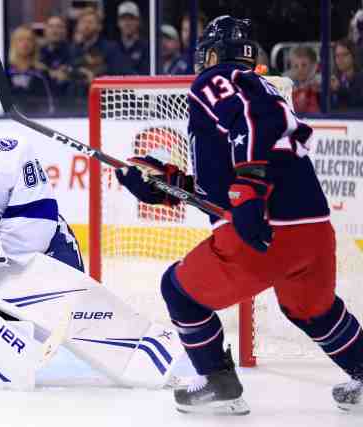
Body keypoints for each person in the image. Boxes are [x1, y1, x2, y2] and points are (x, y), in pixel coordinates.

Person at [116, 15, 363, 414]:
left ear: (215, 53)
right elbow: (232, 168)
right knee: (313, 309)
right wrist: (166, 184)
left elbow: (253, 126)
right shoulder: (259, 86)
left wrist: (247, 189)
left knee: (180, 292)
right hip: (313, 231)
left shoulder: (217, 80)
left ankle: (219, 384)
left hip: (265, 232)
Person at [0, 98, 185, 390]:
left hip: (47, 254)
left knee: (75, 320)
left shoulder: (5, 153)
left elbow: (37, 226)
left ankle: (146, 354)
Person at [7, 25, 55, 115]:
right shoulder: (4, 72)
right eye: (21, 39)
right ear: (13, 43)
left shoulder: (42, 73)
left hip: (38, 121)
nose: (25, 43)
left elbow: (50, 104)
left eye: (29, 39)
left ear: (34, 44)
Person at [330, 38, 363, 111]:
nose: (340, 59)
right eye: (337, 55)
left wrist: (339, 89)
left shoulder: (361, 79)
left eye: (344, 54)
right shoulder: (333, 79)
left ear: (353, 55)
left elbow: (358, 104)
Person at [287, 45, 320, 113]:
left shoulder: (319, 83)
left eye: (304, 65)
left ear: (313, 66)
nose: (300, 69)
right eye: (296, 66)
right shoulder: (288, 86)